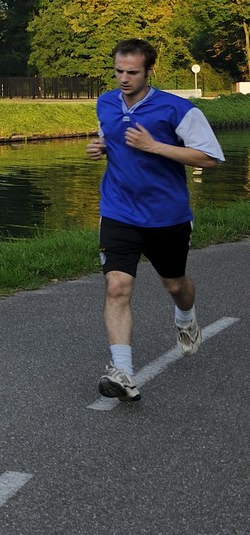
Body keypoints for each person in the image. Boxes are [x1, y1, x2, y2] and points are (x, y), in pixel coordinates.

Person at [85, 38, 224, 401]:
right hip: (118, 211)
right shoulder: (105, 102)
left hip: (166, 216)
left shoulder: (177, 109)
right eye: (119, 71)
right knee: (116, 287)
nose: (124, 79)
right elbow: (109, 135)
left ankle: (185, 315)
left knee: (174, 284)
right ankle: (123, 373)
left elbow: (209, 158)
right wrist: (100, 147)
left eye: (132, 72)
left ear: (150, 70)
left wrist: (155, 146)